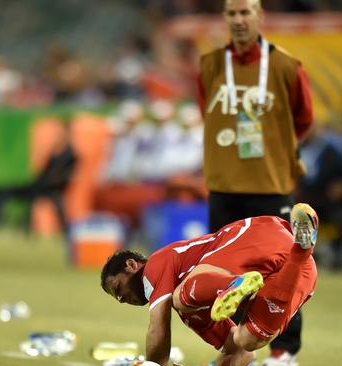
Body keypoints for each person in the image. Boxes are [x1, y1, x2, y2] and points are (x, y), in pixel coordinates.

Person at [195, 0, 314, 364]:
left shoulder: (285, 66)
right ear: (225, 19)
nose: (239, 20)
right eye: (232, 13)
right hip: (224, 186)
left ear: (260, 17)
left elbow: (304, 120)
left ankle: (283, 351)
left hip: (269, 185)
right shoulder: (210, 65)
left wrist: (274, 151)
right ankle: (237, 349)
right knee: (225, 276)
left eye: (246, 12)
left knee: (283, 273)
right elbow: (208, 114)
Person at [101, 203, 319, 366]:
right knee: (248, 339)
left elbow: (158, 328)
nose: (121, 299)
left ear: (131, 265)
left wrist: (153, 365)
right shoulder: (193, 316)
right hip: (297, 267)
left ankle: (233, 284)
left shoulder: (156, 265)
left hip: (258, 238)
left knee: (179, 298)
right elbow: (240, 354)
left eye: (119, 289)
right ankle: (303, 247)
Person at [0, 122, 76, 235]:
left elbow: (63, 178)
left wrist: (50, 181)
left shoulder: (71, 156)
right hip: (36, 186)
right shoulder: (54, 154)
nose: (58, 136)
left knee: (3, 192)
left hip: (47, 189)